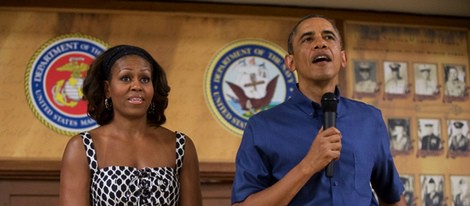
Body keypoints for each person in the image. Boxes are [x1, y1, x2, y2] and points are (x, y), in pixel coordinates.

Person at [231, 14, 405, 206]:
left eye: (329, 37)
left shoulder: (369, 119)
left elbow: (392, 197)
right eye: (308, 39)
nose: (320, 44)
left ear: (343, 57)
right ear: (291, 62)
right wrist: (308, 166)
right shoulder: (262, 126)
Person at [59, 45, 202, 205]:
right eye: (126, 78)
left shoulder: (181, 146)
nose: (137, 86)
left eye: (145, 79)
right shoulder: (82, 147)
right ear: (107, 89)